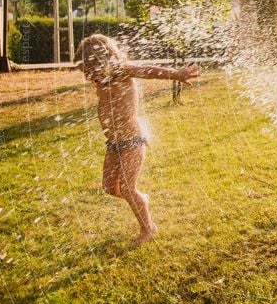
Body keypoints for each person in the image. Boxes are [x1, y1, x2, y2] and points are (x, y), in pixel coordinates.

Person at [75, 34, 200, 244]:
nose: (90, 77)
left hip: (133, 139)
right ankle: (141, 200)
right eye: (87, 73)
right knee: (109, 187)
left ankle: (148, 228)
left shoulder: (122, 70)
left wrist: (177, 74)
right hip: (114, 144)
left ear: (105, 61)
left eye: (92, 71)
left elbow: (149, 71)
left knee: (126, 187)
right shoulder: (101, 80)